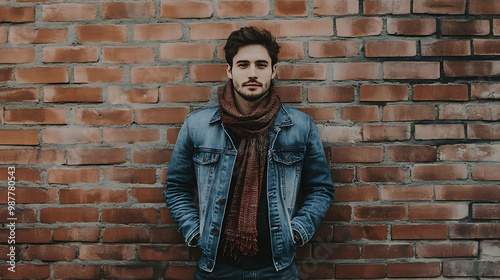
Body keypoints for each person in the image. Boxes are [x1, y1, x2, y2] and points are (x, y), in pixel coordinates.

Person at [164, 27, 334, 280]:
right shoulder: (197, 126)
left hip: (277, 268)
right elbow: (177, 187)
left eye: (261, 65)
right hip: (215, 268)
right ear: (230, 70)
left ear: (273, 70)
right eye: (243, 65)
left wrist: (295, 232)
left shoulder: (300, 127)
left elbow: (321, 189)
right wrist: (196, 233)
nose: (252, 73)